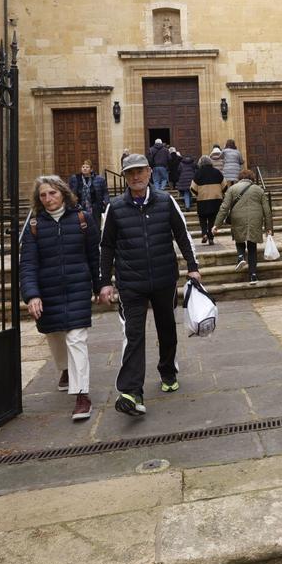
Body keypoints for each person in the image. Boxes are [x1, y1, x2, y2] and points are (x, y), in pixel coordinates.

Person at [100, 153, 201, 416]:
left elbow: (182, 234)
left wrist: (193, 266)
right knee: (133, 334)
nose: (136, 176)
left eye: (140, 171)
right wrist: (104, 282)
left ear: (149, 172)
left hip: (164, 278)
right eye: (130, 172)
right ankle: (131, 391)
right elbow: (106, 246)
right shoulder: (115, 208)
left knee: (166, 328)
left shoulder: (166, 201)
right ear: (125, 176)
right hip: (130, 283)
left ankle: (168, 371)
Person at [20, 175, 104, 422]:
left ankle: (81, 394)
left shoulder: (82, 219)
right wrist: (32, 295)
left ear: (63, 193)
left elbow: (94, 255)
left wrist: (100, 286)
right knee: (54, 334)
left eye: (52, 193)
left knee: (76, 338)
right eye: (43, 195)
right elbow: (28, 264)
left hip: (78, 287)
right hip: (48, 291)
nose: (48, 199)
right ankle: (65, 369)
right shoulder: (34, 226)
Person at [213, 168, 272, 285]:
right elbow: (267, 210)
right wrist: (268, 227)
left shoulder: (232, 189)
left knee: (239, 238)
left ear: (240, 178)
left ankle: (240, 256)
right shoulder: (259, 189)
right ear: (252, 178)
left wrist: (216, 225)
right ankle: (253, 275)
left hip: (237, 218)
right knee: (252, 246)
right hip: (255, 218)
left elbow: (224, 207)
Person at [190, 155, 225, 244]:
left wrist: (198, 194)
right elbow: (224, 186)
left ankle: (204, 233)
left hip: (202, 200)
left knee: (202, 218)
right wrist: (220, 193)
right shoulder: (217, 172)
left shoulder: (198, 173)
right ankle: (211, 238)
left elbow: (192, 188)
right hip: (216, 200)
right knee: (212, 220)